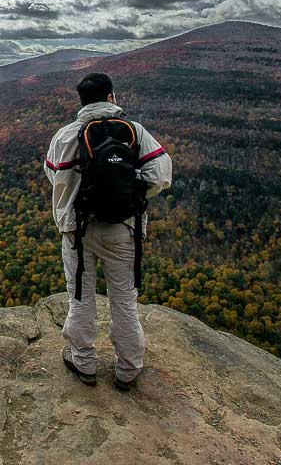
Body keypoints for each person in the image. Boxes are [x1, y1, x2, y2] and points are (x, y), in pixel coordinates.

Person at [44, 73, 172, 391]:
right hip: (122, 229)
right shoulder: (133, 132)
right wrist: (129, 189)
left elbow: (52, 175)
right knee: (124, 300)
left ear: (83, 102)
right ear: (111, 97)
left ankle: (84, 362)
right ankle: (128, 369)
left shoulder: (65, 136)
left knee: (80, 297)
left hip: (77, 229)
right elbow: (160, 175)